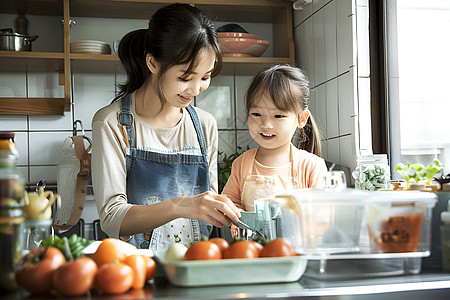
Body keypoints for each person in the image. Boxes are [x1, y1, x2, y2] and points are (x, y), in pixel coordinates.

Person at [91, 3, 240, 250]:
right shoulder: (112, 123)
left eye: (205, 77)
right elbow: (112, 218)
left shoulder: (204, 124)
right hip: (136, 269)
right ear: (153, 63)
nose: (195, 90)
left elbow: (207, 205)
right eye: (185, 77)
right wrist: (183, 205)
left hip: (196, 264)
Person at [222, 64, 327, 227]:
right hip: (253, 251)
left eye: (278, 115)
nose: (266, 124)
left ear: (301, 119)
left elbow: (322, 216)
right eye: (257, 114)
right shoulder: (241, 164)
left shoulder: (311, 166)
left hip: (296, 250)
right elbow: (229, 203)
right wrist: (235, 220)